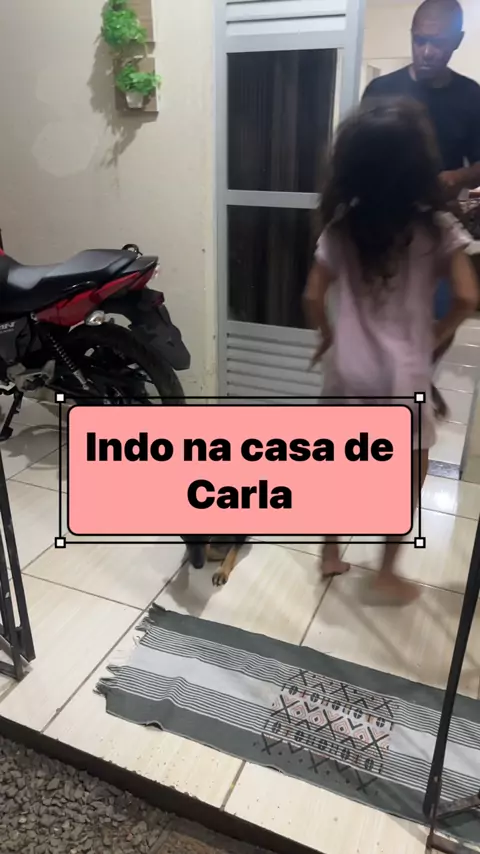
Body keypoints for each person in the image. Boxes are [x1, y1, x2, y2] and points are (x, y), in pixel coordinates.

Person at [303, 98, 478, 605]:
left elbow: (313, 296)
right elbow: (467, 297)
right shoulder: (438, 228)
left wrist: (329, 336)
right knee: (408, 470)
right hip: (403, 376)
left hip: (348, 372)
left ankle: (330, 553)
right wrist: (434, 336)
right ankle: (386, 571)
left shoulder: (341, 227)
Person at [363, 0, 480, 328]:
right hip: (382, 228)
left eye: (438, 43)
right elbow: (359, 157)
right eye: (419, 40)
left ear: (457, 41)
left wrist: (459, 176)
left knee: (439, 319)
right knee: (377, 322)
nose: (427, 52)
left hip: (438, 229)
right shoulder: (380, 90)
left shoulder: (471, 96)